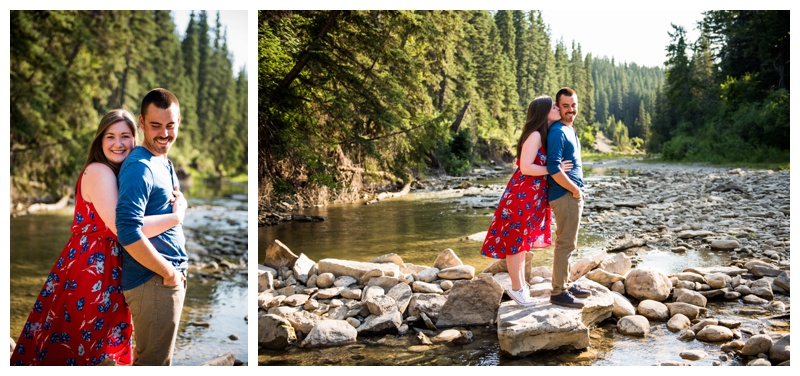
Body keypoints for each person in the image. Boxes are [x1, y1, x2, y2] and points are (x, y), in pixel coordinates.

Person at [10, 110, 186, 366]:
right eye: (110, 137)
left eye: (125, 136)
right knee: (82, 343)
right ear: (100, 141)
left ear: (135, 139)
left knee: (99, 345)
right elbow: (122, 228)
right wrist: (175, 217)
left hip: (111, 265)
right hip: (91, 267)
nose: (118, 143)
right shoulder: (98, 171)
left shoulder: (123, 172)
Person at [116, 88, 188, 366]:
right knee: (154, 364)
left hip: (161, 280)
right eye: (155, 125)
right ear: (141, 122)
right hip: (153, 280)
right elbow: (127, 231)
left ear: (179, 121)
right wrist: (168, 272)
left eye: (170, 125)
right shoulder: (140, 167)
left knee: (156, 360)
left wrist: (178, 207)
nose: (164, 134)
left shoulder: (163, 161)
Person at [481, 95, 572, 306]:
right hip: (523, 196)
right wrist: (554, 170)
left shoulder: (543, 134)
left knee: (522, 244)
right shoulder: (535, 135)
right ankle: (517, 288)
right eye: (554, 106)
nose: (558, 108)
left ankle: (521, 287)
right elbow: (525, 167)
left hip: (532, 196)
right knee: (515, 244)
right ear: (543, 112)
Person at [546, 87, 591, 309]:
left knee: (568, 242)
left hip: (569, 194)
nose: (570, 110)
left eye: (573, 105)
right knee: (565, 243)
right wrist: (574, 189)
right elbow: (553, 168)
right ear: (558, 106)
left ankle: (565, 283)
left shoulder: (568, 129)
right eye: (565, 106)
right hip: (564, 194)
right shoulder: (557, 132)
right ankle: (558, 292)